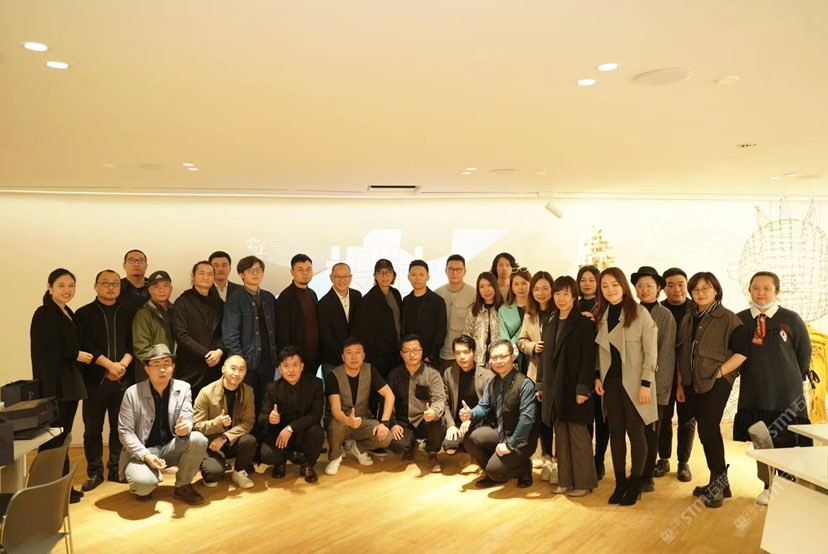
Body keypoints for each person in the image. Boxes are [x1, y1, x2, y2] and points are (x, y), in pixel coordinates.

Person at [733, 271, 812, 506]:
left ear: (777, 291)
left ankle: (786, 485)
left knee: (786, 438)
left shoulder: (791, 319)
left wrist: (790, 377)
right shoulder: (740, 320)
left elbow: (804, 353)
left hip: (786, 391)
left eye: (767, 288)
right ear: (749, 290)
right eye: (756, 288)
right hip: (754, 390)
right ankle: (768, 486)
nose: (761, 292)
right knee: (761, 438)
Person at [676, 271, 748, 508]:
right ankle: (721, 483)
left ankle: (717, 484)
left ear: (716, 290)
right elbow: (682, 353)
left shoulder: (728, 319)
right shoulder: (688, 318)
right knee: (706, 430)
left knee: (708, 430)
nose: (700, 293)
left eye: (705, 288)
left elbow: (742, 353)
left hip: (716, 383)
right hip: (692, 382)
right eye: (695, 289)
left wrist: (719, 373)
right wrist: (680, 383)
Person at [593, 267, 658, 506]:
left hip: (636, 383)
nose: (610, 290)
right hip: (610, 384)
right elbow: (598, 352)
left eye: (614, 284)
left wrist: (645, 384)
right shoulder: (601, 314)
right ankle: (620, 482)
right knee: (616, 433)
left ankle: (636, 483)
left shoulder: (640, 313)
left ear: (623, 286)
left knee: (636, 433)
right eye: (605, 286)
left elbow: (651, 353)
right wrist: (597, 377)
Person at [117, 344, 209, 504]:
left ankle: (183, 486)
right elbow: (125, 432)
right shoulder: (132, 393)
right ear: (147, 369)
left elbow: (187, 416)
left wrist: (185, 427)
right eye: (156, 365)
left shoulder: (183, 388)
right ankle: (147, 477)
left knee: (198, 439)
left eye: (166, 364)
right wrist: (146, 455)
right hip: (142, 452)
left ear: (173, 367)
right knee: (143, 486)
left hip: (171, 447)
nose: (162, 369)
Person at [30, 268, 91, 503]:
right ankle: (47, 491)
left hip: (69, 386)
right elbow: (46, 351)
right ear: (50, 288)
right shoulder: (45, 313)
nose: (67, 290)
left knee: (63, 437)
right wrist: (75, 354)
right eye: (61, 285)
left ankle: (62, 487)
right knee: (53, 440)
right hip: (56, 388)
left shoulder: (67, 312)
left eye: (71, 285)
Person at [75, 270, 135, 491]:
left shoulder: (129, 312)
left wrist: (121, 366)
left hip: (122, 379)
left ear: (120, 286)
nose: (111, 287)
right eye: (105, 283)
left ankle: (116, 469)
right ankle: (95, 472)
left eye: (115, 283)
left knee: (119, 428)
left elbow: (133, 344)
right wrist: (110, 366)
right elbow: (85, 345)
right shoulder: (83, 313)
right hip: (94, 381)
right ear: (96, 286)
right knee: (93, 429)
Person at [537, 276, 597, 497]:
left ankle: (584, 482)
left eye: (565, 294)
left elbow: (588, 359)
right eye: (557, 294)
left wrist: (583, 388)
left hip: (574, 386)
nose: (561, 298)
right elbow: (544, 358)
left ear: (574, 297)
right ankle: (565, 480)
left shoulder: (583, 323)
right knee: (560, 434)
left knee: (578, 435)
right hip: (554, 387)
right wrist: (540, 384)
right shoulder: (550, 321)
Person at [460, 339, 538, 489]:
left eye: (503, 356)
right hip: (501, 432)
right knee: (470, 438)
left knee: (495, 471)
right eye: (494, 357)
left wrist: (510, 445)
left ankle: (524, 468)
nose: (498, 361)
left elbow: (527, 420)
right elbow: (484, 406)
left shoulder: (525, 384)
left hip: (522, 440)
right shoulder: (492, 382)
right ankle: (494, 469)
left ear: (513, 356)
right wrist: (470, 414)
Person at [631, 266, 677, 493]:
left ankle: (647, 476)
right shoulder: (631, 312)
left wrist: (657, 387)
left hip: (654, 385)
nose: (644, 290)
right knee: (636, 432)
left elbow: (667, 353)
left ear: (658, 288)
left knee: (651, 432)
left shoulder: (665, 315)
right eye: (640, 286)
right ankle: (636, 472)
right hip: (632, 383)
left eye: (649, 285)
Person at [324, 338, 395, 475]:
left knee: (386, 436)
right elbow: (335, 409)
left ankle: (358, 448)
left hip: (362, 420)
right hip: (340, 422)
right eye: (349, 353)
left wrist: (384, 423)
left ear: (363, 355)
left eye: (357, 352)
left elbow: (389, 395)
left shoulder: (370, 369)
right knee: (336, 424)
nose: (354, 357)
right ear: (343, 357)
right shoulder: (334, 375)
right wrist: (347, 420)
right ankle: (335, 456)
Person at [655, 267, 697, 483]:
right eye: (670, 285)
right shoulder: (659, 310)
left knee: (687, 419)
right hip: (664, 373)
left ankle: (683, 461)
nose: (677, 289)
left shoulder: (696, 309)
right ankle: (663, 458)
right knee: (662, 419)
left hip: (688, 374)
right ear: (663, 288)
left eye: (681, 284)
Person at [258, 347, 325, 483]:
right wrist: (270, 418)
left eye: (295, 365)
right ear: (279, 369)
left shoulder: (315, 384)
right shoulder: (272, 388)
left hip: (302, 432)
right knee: (267, 454)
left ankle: (307, 465)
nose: (291, 370)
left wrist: (290, 428)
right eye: (286, 366)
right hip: (279, 436)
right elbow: (261, 417)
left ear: (302, 366)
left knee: (317, 432)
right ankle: (280, 462)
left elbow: (316, 414)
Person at [193, 355, 257, 489]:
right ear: (223, 369)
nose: (236, 373)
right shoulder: (206, 392)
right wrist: (217, 423)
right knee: (212, 477)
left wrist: (224, 437)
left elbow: (248, 422)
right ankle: (214, 465)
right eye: (233, 368)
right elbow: (196, 426)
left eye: (241, 369)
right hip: (211, 444)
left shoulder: (248, 391)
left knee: (249, 440)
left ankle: (239, 472)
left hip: (232, 441)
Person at [222, 255, 277, 413]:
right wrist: (240, 363)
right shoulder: (235, 300)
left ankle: (263, 429)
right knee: (245, 405)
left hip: (268, 361)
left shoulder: (269, 297)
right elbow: (230, 336)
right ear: (241, 274)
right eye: (250, 271)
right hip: (247, 363)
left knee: (265, 403)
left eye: (258, 270)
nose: (255, 274)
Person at [387, 335, 447, 473]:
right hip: (404, 421)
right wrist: (392, 423)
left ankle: (432, 453)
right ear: (401, 354)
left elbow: (439, 399)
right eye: (407, 351)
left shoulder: (432, 373)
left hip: (425, 420)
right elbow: (387, 401)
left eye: (416, 350)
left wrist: (433, 411)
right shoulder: (394, 375)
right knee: (396, 445)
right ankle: (411, 444)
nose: (412, 354)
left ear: (422, 351)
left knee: (440, 422)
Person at [517, 270, 555, 477]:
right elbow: (521, 340)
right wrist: (533, 346)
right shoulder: (530, 313)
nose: (541, 293)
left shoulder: (560, 310)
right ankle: (547, 456)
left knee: (557, 417)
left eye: (545, 288)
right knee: (542, 417)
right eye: (537, 289)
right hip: (536, 371)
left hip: (557, 372)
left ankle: (561, 459)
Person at [171, 261, 224, 398]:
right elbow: (181, 335)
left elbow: (225, 331)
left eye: (210, 274)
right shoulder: (183, 302)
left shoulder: (219, 303)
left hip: (215, 367)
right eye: (201, 273)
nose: (206, 277)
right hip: (190, 367)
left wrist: (219, 351)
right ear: (193, 276)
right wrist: (206, 354)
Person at [351, 259, 403, 382]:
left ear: (393, 275)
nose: (384, 276)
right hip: (378, 356)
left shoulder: (396, 293)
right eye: (381, 273)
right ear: (375, 276)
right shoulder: (367, 300)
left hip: (397, 352)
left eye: (388, 272)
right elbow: (363, 331)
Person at [577, 264, 607, 479]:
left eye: (591, 279)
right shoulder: (574, 305)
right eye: (582, 280)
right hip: (581, 369)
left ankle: (599, 459)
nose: (587, 284)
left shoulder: (605, 306)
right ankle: (586, 458)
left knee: (602, 417)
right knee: (585, 417)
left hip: (603, 368)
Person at [441, 335, 494, 455]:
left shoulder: (487, 375)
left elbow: (489, 405)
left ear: (474, 353)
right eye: (458, 353)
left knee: (475, 440)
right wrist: (451, 425)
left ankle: (471, 449)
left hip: (479, 421)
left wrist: (471, 418)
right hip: (458, 422)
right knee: (449, 448)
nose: (462, 357)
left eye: (466, 352)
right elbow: (445, 402)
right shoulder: (449, 373)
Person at [318, 262, 363, 388]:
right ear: (331, 278)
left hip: (355, 360)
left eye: (346, 276)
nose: (342, 280)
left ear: (350, 278)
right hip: (332, 360)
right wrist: (344, 355)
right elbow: (326, 335)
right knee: (333, 395)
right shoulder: (324, 303)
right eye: (338, 277)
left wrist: (353, 354)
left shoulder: (357, 296)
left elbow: (360, 326)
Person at [276, 254, 320, 374]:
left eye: (308, 269)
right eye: (300, 270)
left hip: (314, 358)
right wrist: (289, 359)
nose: (305, 273)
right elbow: (282, 333)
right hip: (295, 360)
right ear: (292, 272)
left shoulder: (312, 294)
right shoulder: (285, 298)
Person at [434, 254, 476, 371]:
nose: (455, 272)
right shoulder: (437, 293)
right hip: (441, 354)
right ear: (446, 271)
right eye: (451, 269)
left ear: (465, 271)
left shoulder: (474, 294)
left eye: (459, 269)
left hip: (464, 354)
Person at [401, 260, 447, 366]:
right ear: (408, 277)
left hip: (428, 359)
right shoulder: (406, 300)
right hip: (408, 357)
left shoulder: (437, 301)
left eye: (421, 274)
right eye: (413, 275)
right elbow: (403, 329)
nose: (417, 278)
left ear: (428, 277)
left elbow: (441, 330)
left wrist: (430, 355)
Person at [132, 270, 175, 381]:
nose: (162, 290)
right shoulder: (143, 314)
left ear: (171, 288)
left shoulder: (177, 310)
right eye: (156, 286)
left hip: (175, 371)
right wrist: (162, 366)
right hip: (152, 374)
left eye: (166, 286)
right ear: (149, 290)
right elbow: (141, 348)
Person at [462, 272, 503, 366]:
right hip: (478, 361)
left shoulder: (503, 308)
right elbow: (467, 334)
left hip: (499, 359)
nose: (486, 290)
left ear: (495, 287)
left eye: (489, 285)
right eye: (482, 287)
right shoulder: (474, 309)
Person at [498, 268, 531, 373]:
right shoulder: (503, 309)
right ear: (511, 286)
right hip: (514, 356)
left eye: (524, 283)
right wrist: (510, 352)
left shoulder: (537, 307)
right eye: (516, 284)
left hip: (534, 354)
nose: (520, 287)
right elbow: (504, 336)